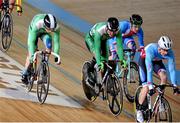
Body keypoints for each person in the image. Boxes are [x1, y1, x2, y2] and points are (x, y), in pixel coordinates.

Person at [136, 35, 179, 122]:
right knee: (146, 87)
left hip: (156, 62)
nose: (166, 53)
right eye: (164, 50)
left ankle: (160, 101)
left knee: (164, 77)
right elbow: (149, 70)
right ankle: (139, 111)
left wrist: (175, 86)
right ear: (159, 47)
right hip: (144, 62)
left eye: (167, 50)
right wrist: (150, 86)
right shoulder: (151, 50)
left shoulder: (170, 53)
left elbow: (172, 70)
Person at [84, 17, 127, 88]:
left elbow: (119, 47)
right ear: (107, 28)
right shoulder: (100, 31)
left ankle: (103, 81)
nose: (112, 33)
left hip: (103, 40)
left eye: (114, 31)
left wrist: (122, 60)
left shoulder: (118, 31)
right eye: (111, 31)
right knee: (98, 57)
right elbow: (97, 49)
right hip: (91, 40)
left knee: (105, 60)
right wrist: (99, 63)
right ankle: (89, 71)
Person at [21, 13, 61, 85]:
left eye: (52, 29)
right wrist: (32, 56)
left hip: (44, 33)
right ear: (45, 25)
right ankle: (25, 71)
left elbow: (56, 42)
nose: (51, 30)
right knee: (32, 54)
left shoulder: (56, 27)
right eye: (49, 29)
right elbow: (31, 42)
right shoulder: (37, 24)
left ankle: (44, 68)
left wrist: (56, 57)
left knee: (49, 45)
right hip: (34, 31)